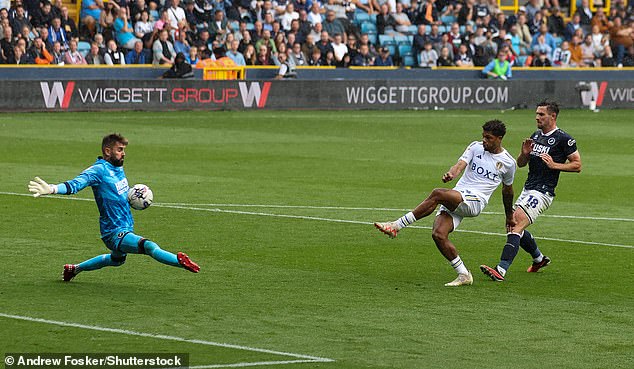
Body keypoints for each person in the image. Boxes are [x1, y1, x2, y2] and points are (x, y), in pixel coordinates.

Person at [27, 133, 200, 282]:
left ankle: (74, 269)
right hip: (113, 232)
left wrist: (134, 196)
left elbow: (116, 193)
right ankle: (179, 262)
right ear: (107, 151)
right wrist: (52, 188)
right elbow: (76, 184)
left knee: (117, 260)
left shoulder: (117, 167)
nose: (123, 154)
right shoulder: (98, 171)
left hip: (125, 226)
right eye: (119, 150)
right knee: (149, 246)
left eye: (124, 150)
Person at [374, 120, 516, 287]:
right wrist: (452, 174)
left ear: (499, 138)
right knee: (438, 234)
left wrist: (509, 216)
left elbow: (508, 191)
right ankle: (464, 274)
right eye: (483, 136)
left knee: (437, 193)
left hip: (475, 201)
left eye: (489, 138)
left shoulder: (508, 162)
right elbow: (459, 165)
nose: (484, 140)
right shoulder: (475, 147)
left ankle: (396, 226)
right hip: (458, 195)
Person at [480, 101, 581, 282]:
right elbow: (520, 164)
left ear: (553, 116)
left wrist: (554, 165)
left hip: (543, 192)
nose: (537, 117)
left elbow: (577, 165)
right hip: (528, 188)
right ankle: (539, 259)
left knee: (515, 224)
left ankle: (501, 269)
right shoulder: (536, 136)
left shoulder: (564, 139)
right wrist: (524, 153)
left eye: (541, 114)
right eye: (536, 114)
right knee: (512, 225)